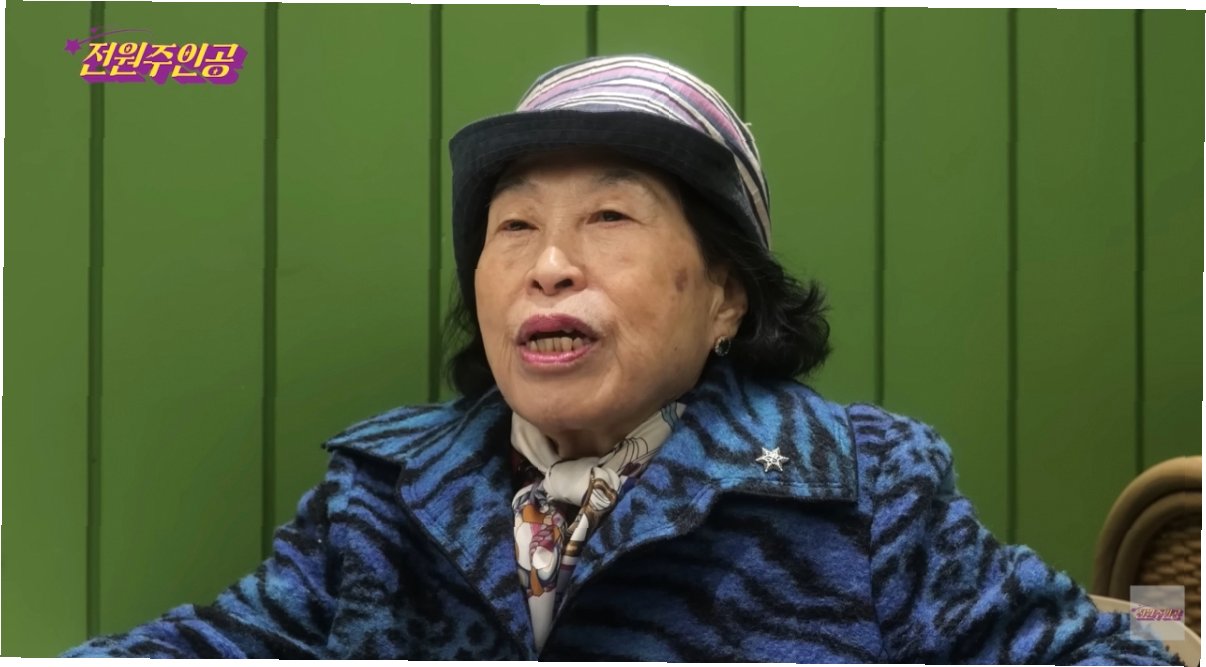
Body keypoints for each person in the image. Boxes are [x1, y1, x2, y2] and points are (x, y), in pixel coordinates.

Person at [63, 54, 1180, 663]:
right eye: (513, 226)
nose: (548, 265)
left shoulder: (867, 487)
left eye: (609, 218)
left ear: (726, 295)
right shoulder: (382, 492)